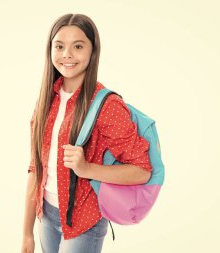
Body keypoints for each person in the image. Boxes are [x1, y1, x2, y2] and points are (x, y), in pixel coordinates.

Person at [21, 13, 153, 253]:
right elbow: (35, 168)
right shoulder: (46, 101)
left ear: (93, 52)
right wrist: (26, 233)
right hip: (46, 216)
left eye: (78, 46)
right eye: (59, 46)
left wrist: (86, 169)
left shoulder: (107, 106)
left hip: (84, 221)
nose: (67, 54)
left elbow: (142, 171)